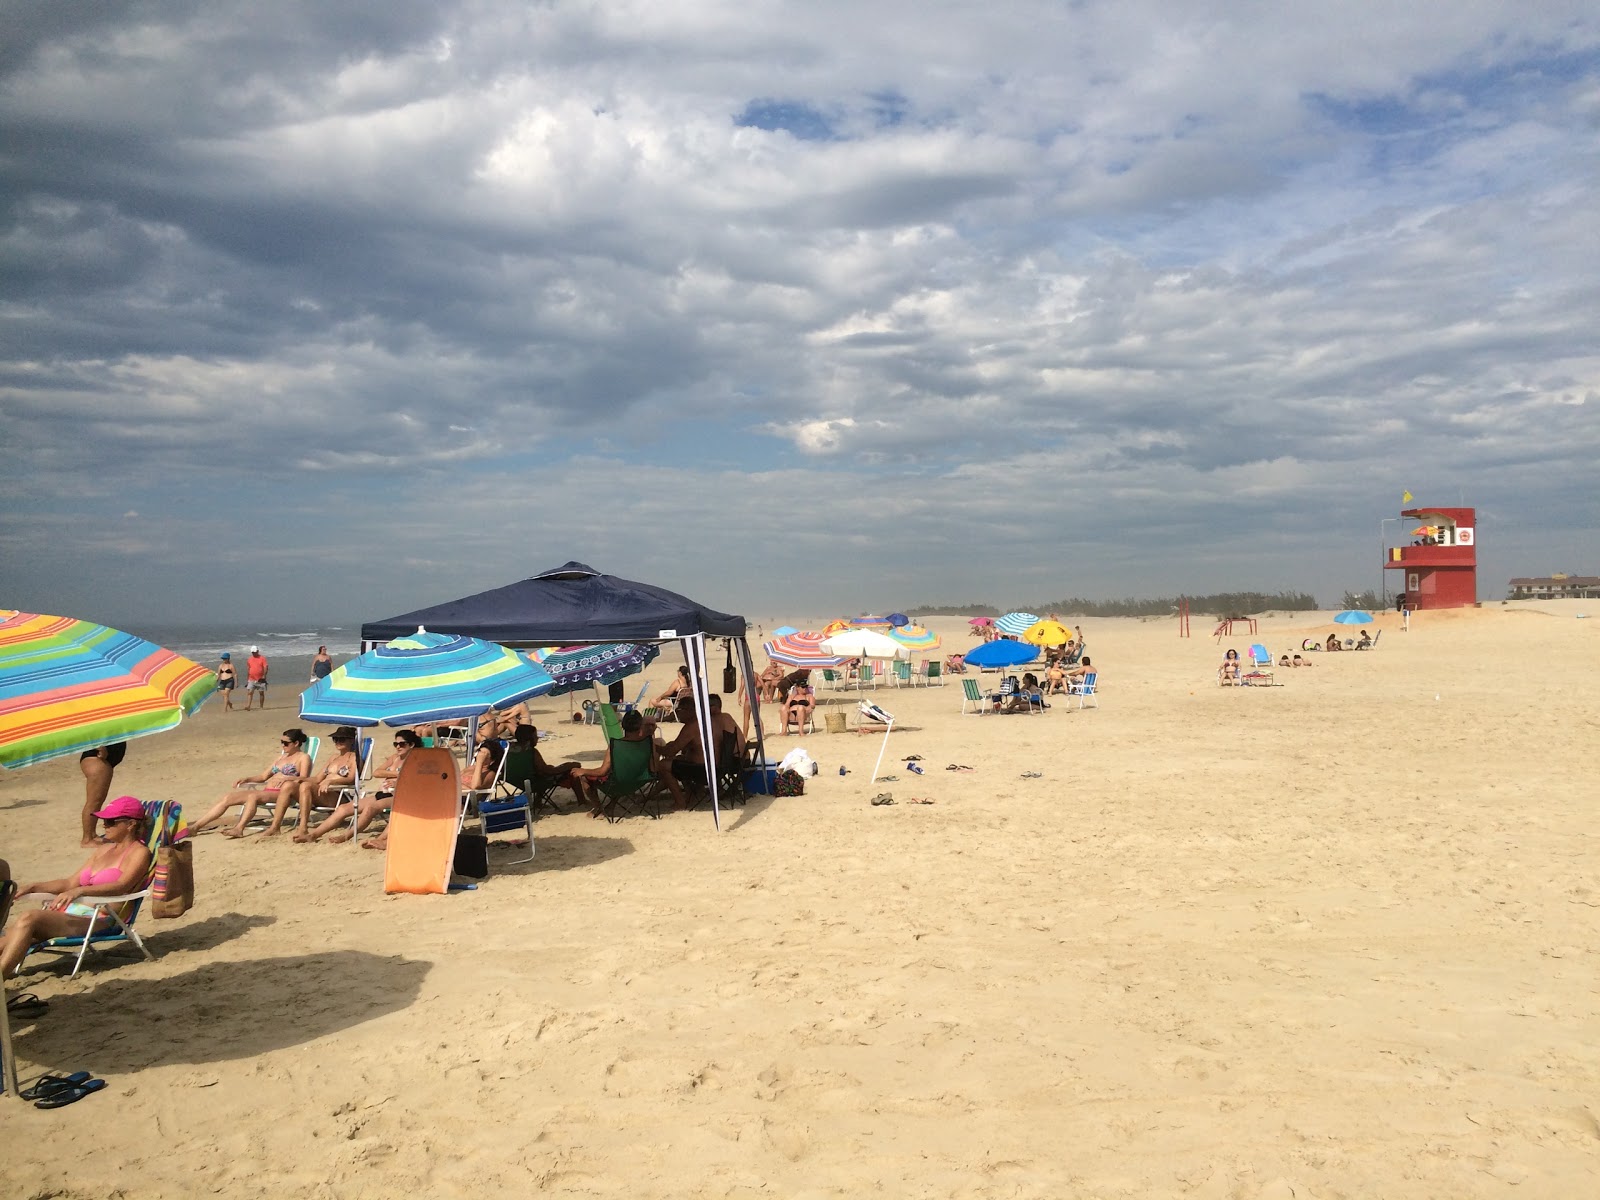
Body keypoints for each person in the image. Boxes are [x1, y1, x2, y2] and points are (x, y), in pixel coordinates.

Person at [1, 796, 153, 979]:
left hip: (99, 918)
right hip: (67, 914)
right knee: (9, 935)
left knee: (29, 917)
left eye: (111, 821)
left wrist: (80, 891)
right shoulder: (103, 850)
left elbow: (122, 886)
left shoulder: (140, 852)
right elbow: (69, 883)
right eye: (104, 820)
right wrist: (34, 886)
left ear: (130, 824)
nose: (104, 825)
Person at [301, 730, 420, 844]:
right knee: (343, 808)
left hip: (400, 795)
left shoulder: (416, 760)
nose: (398, 747)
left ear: (411, 744)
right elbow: (377, 772)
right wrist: (399, 774)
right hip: (382, 793)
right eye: (396, 744)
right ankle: (314, 835)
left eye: (402, 744)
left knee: (371, 807)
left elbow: (418, 780)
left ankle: (349, 835)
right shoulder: (394, 758)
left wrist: (398, 781)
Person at [190, 729, 314, 836]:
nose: (282, 746)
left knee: (253, 796)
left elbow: (304, 778)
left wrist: (287, 778)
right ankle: (195, 827)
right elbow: (263, 776)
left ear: (296, 743)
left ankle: (239, 829)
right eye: (281, 742)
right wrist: (247, 779)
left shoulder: (303, 758)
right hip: (267, 791)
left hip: (283, 793)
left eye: (286, 743)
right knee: (228, 797)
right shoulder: (281, 758)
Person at [269, 727, 361, 838]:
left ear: (351, 740)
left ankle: (303, 827)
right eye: (335, 739)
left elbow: (351, 779)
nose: (337, 742)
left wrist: (331, 782)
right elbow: (317, 779)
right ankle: (275, 827)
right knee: (289, 786)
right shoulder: (333, 758)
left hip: (339, 795)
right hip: (322, 793)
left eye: (342, 739)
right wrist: (293, 779)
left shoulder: (355, 758)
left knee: (306, 786)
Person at [508, 723, 588, 808]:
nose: (537, 738)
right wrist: (569, 766)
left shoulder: (508, 750)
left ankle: (538, 802)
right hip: (535, 783)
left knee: (541, 771)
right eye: (535, 736)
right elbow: (547, 771)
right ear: (529, 739)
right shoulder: (532, 752)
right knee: (572, 771)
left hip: (516, 781)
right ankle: (582, 801)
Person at [78, 741, 127, 846]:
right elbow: (92, 725)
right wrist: (98, 744)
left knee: (97, 800)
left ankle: (92, 835)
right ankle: (87, 839)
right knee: (94, 801)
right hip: (97, 758)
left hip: (101, 759)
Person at [779, 669, 814, 734]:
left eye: (806, 687)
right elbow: (786, 705)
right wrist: (786, 707)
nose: (805, 689)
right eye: (803, 687)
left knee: (800, 708)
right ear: (797, 688)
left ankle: (801, 731)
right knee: (783, 708)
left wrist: (807, 708)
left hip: (803, 714)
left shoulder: (809, 696)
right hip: (791, 715)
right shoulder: (792, 696)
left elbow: (812, 705)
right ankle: (784, 731)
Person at [242, 645, 269, 710]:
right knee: (250, 692)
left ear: (257, 651)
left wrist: (264, 676)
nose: (253, 653)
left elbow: (265, 667)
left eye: (254, 652)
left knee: (261, 693)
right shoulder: (249, 659)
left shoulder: (262, 658)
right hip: (251, 678)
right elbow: (249, 669)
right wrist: (247, 679)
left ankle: (261, 706)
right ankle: (248, 706)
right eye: (252, 652)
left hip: (260, 679)